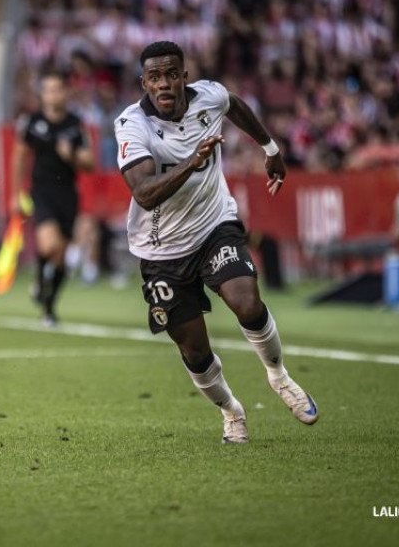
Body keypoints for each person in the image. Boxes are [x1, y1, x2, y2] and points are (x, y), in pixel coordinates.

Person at [115, 41, 318, 443]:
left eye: (172, 74)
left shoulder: (209, 95)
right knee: (194, 350)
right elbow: (143, 192)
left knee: (247, 301)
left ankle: (279, 376)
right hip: (160, 249)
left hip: (214, 226)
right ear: (145, 83)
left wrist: (271, 149)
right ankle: (231, 411)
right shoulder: (132, 124)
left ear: (184, 76)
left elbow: (235, 104)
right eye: (155, 77)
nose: (165, 84)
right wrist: (192, 161)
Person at [11, 71, 94, 326]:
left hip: (67, 194)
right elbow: (20, 156)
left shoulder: (76, 124)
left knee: (61, 256)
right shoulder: (32, 122)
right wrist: (15, 194)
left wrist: (71, 156)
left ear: (66, 93)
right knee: (50, 245)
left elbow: (90, 164)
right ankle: (39, 281)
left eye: (57, 89)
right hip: (42, 192)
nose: (51, 95)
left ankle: (48, 305)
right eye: (47, 90)